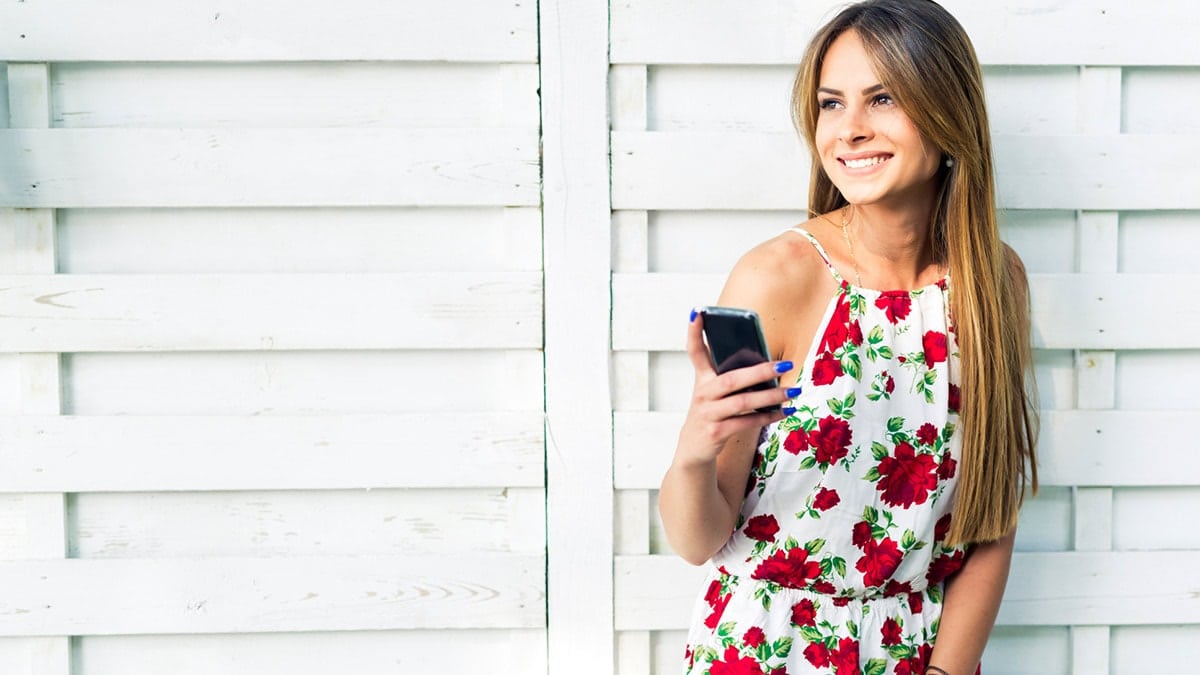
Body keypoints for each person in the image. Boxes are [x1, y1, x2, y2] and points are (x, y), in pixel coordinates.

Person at [658, 1, 1038, 673]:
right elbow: (699, 539)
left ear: (948, 114)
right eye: (832, 104)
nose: (851, 130)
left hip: (920, 653)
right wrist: (693, 451)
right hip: (763, 650)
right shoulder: (779, 277)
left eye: (883, 98)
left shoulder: (993, 281)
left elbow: (990, 515)